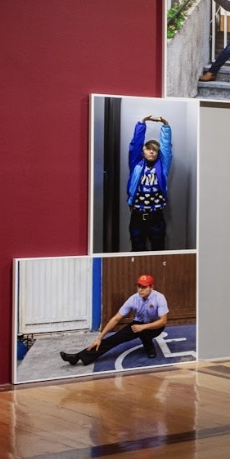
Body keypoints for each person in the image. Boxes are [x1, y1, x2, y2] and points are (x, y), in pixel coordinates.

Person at [61, 275, 169, 365]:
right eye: (139, 286)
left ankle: (149, 347)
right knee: (115, 338)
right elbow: (116, 319)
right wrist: (99, 337)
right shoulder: (133, 299)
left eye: (144, 287)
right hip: (138, 323)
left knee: (145, 333)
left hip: (156, 326)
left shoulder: (159, 298)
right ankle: (78, 357)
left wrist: (144, 327)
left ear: (151, 287)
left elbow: (163, 321)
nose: (140, 290)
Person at [126, 114, 173, 251]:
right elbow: (135, 144)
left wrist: (165, 124)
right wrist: (142, 122)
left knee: (158, 248)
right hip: (137, 215)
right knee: (137, 248)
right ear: (143, 150)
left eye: (155, 150)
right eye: (148, 149)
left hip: (156, 216)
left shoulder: (162, 166)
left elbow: (166, 147)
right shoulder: (136, 164)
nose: (152, 152)